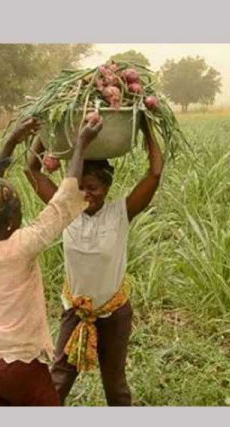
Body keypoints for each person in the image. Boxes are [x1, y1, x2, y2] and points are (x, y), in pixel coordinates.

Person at [0, 115, 103, 406]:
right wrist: (80, 147)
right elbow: (62, 205)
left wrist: (12, 141)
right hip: (19, 366)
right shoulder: (20, 248)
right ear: (13, 219)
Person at [24, 118, 164, 406]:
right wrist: (46, 129)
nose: (87, 195)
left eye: (94, 188)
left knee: (115, 387)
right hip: (75, 311)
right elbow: (31, 170)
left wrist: (146, 126)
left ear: (107, 187)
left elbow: (154, 173)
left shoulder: (120, 214)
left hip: (114, 315)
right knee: (58, 381)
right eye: (81, 189)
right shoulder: (66, 211)